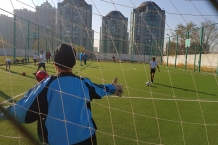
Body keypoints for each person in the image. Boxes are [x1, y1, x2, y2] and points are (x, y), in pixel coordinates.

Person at [0, 44, 123, 145]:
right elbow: (100, 89)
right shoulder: (84, 83)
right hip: (88, 140)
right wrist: (114, 87)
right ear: (74, 63)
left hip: (59, 141)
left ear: (54, 63)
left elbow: (22, 112)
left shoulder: (46, 85)